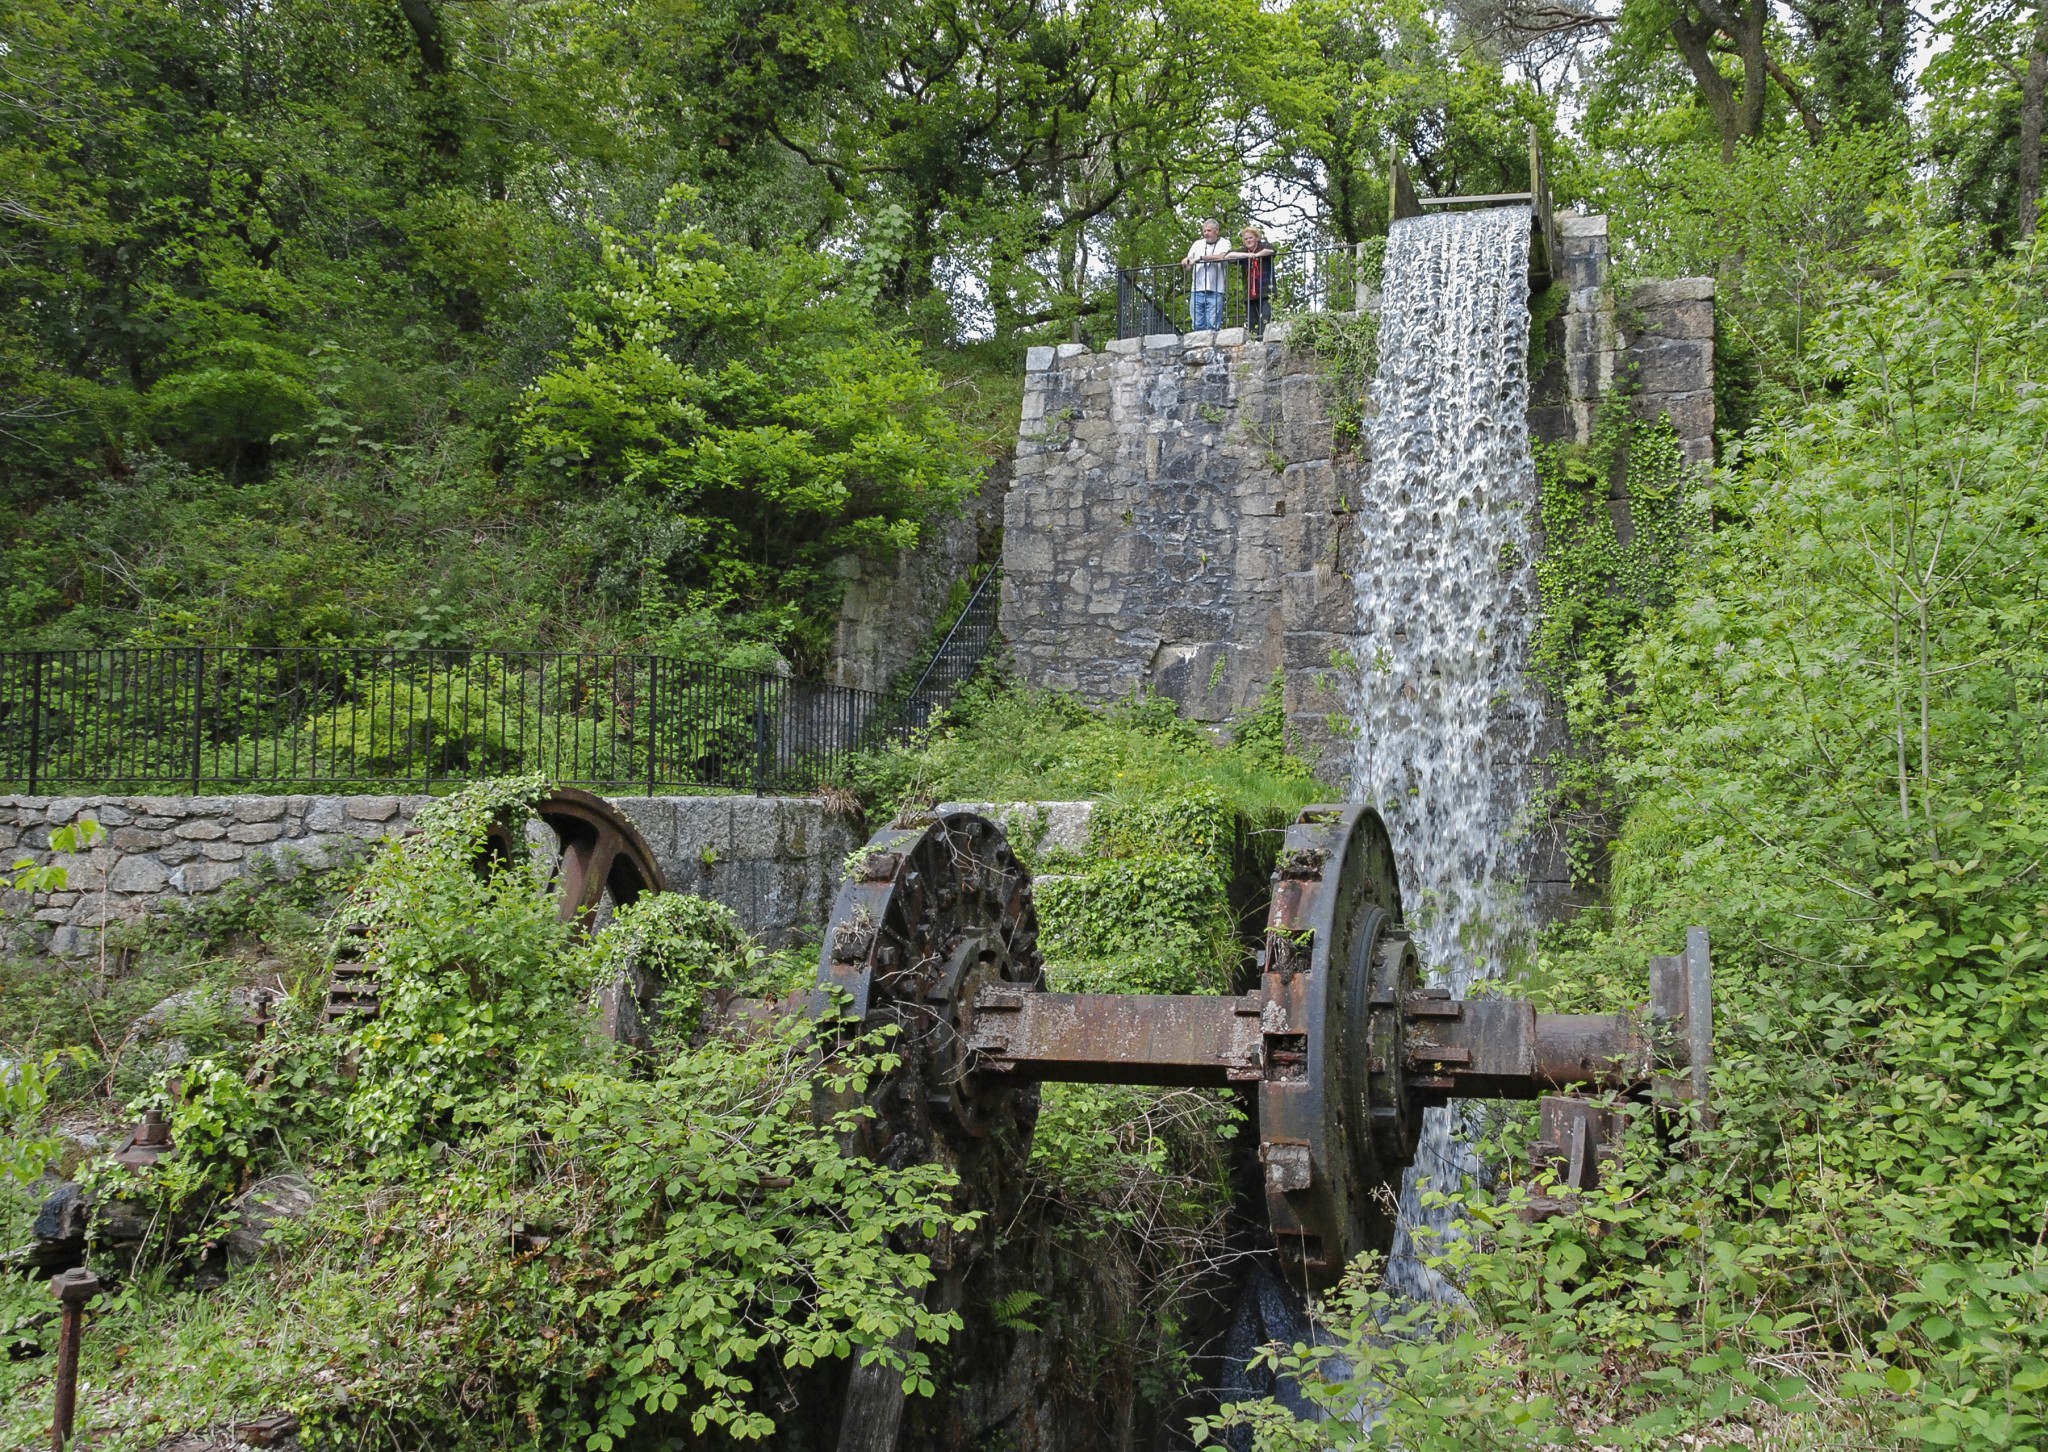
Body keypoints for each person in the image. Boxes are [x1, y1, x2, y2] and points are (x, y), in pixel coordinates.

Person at [1181, 219, 1232, 331]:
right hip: (1197, 288)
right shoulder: (1197, 244)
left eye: (1209, 230)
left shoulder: (1224, 242)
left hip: (1216, 289)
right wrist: (1185, 262)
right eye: (1204, 231)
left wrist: (1200, 258)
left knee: (1213, 325)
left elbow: (1220, 257)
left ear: (1217, 231)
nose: (1206, 233)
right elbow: (1189, 266)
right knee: (1197, 324)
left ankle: (1213, 342)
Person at [1233, 226, 1276, 335]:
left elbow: (1271, 250)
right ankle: (1254, 340)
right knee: (1252, 321)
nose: (1248, 240)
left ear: (1257, 238)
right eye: (1246, 239)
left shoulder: (1264, 246)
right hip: (1250, 294)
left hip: (1266, 291)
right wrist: (1247, 255)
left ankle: (1264, 340)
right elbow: (1228, 255)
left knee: (1266, 318)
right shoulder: (1243, 251)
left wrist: (1256, 255)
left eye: (1250, 238)